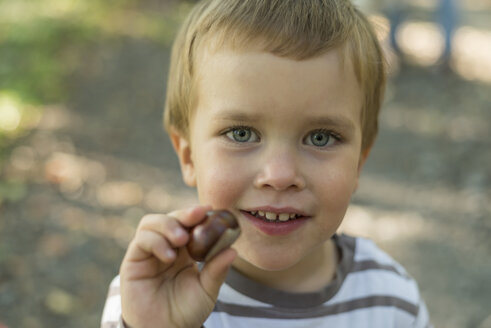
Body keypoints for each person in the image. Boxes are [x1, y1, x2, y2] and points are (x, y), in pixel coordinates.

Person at [101, 0, 432, 327]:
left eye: (320, 137)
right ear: (188, 156)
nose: (280, 175)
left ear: (359, 163)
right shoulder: (149, 296)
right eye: (242, 134)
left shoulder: (393, 301)